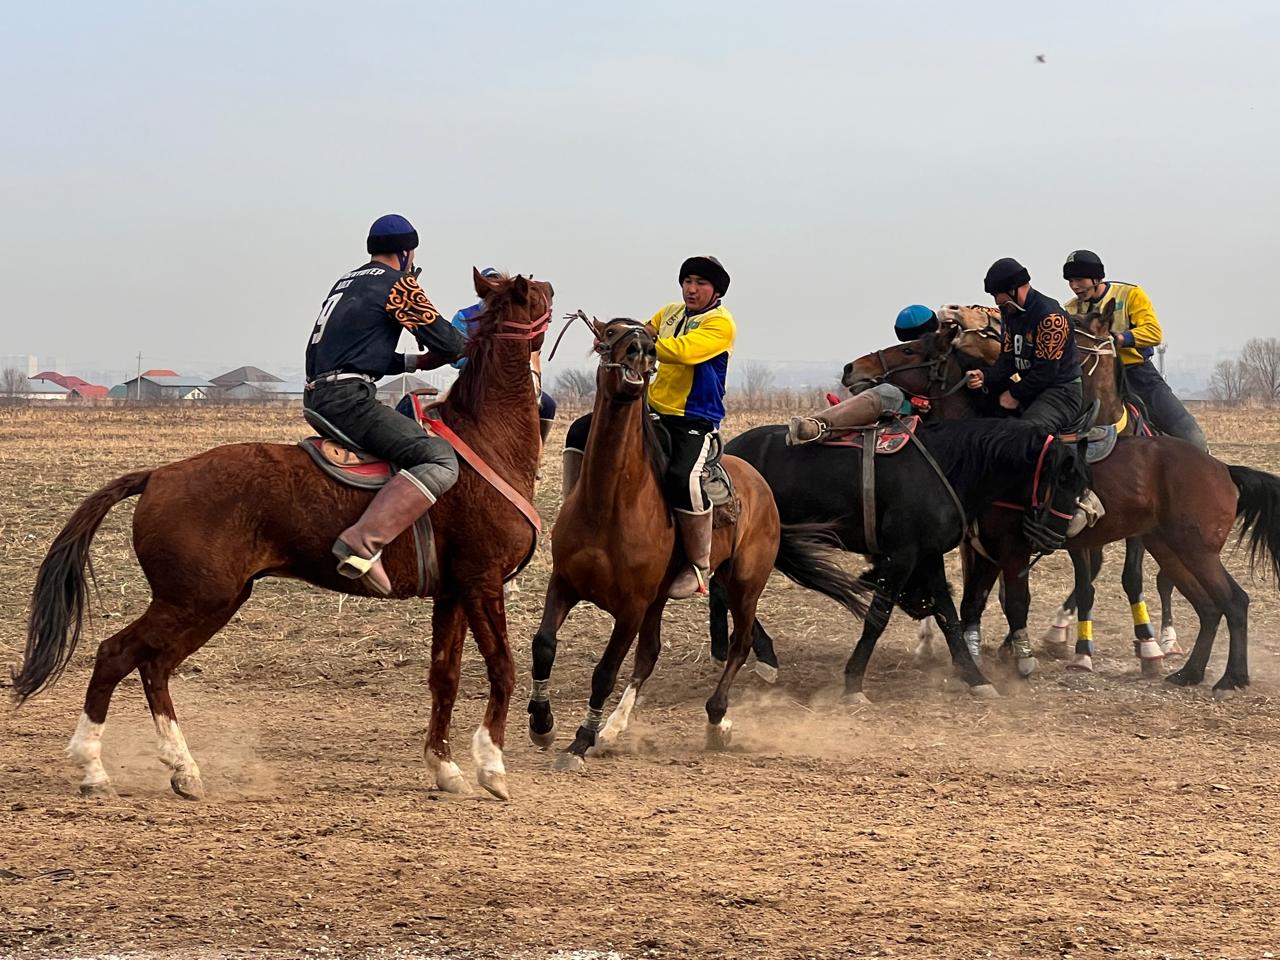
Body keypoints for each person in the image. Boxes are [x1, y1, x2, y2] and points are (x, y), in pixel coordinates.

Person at [304, 214, 466, 595]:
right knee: (440, 459)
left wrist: (414, 362)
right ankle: (364, 542)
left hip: (319, 393)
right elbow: (451, 344)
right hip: (347, 400)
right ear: (406, 253)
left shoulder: (346, 282)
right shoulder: (399, 285)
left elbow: (358, 352)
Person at [564, 255, 735, 599]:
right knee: (581, 432)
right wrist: (613, 336)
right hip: (653, 411)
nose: (691, 288)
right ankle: (571, 513)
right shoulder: (669, 312)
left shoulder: (721, 324)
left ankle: (699, 564)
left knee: (681, 478)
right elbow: (642, 332)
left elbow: (683, 352)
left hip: (693, 420)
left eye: (700, 283)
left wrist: (636, 346)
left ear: (715, 290)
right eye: (688, 281)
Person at [1061, 249, 1207, 451]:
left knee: (1192, 437)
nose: (1074, 286)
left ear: (1096, 278)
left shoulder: (1130, 294)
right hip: (1090, 380)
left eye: (1079, 279)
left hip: (1138, 375)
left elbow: (1154, 333)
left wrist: (1120, 338)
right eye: (1070, 281)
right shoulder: (1068, 309)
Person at [965, 258, 1083, 433]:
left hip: (1062, 392)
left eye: (998, 294)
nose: (997, 301)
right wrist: (984, 376)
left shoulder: (1051, 318)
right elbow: (1007, 361)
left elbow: (1045, 374)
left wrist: (1014, 394)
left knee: (1026, 434)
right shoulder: (1009, 312)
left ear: (1013, 290)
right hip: (1031, 386)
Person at [449, 266, 558, 453]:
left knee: (547, 405)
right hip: (477, 378)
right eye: (490, 283)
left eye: (497, 282)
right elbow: (455, 357)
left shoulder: (516, 313)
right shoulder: (463, 316)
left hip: (512, 380)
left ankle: (535, 453)